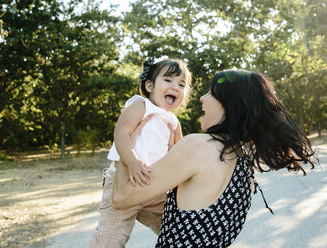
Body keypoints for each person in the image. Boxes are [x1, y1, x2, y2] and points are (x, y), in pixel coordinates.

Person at [113, 70, 316, 247]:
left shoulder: (198, 147)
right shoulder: (244, 165)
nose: (202, 98)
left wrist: (127, 142)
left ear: (228, 104)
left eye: (210, 93)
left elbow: (122, 198)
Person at [88, 58, 192, 247]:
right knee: (109, 239)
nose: (175, 87)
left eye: (181, 84)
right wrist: (132, 161)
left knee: (177, 230)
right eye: (168, 80)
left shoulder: (174, 122)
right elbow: (121, 132)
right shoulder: (141, 106)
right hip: (124, 181)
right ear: (150, 85)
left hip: (155, 187)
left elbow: (178, 154)